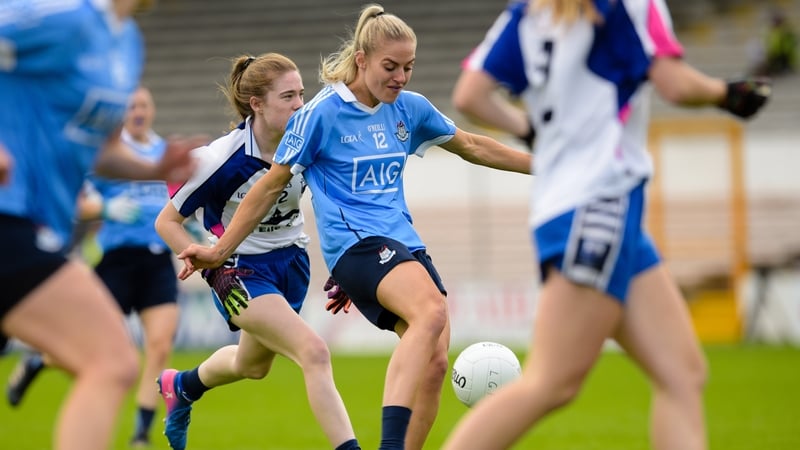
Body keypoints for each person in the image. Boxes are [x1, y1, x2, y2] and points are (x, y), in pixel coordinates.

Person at [176, 5, 532, 450]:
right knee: (432, 312)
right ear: (361, 60)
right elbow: (269, 188)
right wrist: (218, 251)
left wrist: (548, 166)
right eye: (390, 66)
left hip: (403, 242)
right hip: (355, 247)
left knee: (436, 358)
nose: (401, 77)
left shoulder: (409, 109)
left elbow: (474, 145)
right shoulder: (321, 114)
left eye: (408, 67)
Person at [443, 1, 771, 449]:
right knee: (551, 382)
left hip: (586, 208)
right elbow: (674, 85)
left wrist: (528, 127)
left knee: (682, 372)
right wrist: (728, 93)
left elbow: (470, 95)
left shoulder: (529, 11)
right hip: (599, 206)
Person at [0, 1, 203, 450]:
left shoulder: (126, 41)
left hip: (36, 227)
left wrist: (155, 168)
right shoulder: (64, 16)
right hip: (10, 218)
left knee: (111, 361)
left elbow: (101, 150)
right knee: (111, 361)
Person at [154, 52, 362, 450]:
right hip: (240, 272)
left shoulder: (308, 144)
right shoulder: (219, 160)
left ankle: (181, 386)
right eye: (288, 97)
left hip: (293, 263)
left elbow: (333, 206)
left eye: (301, 94)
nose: (300, 105)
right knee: (314, 352)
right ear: (257, 104)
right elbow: (166, 222)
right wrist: (214, 273)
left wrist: (344, 264)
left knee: (251, 366)